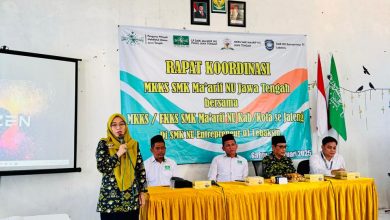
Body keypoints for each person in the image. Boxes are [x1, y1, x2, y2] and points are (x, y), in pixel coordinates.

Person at [96, 113, 147, 220]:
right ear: (110, 127)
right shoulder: (104, 144)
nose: (118, 127)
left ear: (126, 126)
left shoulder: (133, 144)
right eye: (114, 125)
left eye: (121, 124)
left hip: (131, 199)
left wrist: (143, 192)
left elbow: (140, 170)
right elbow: (102, 167)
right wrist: (118, 154)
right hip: (110, 200)